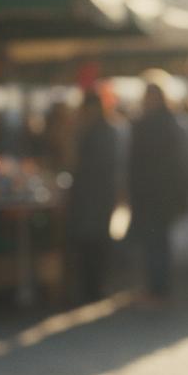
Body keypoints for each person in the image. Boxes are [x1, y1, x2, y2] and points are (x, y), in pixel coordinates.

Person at [128, 73, 188, 303]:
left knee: (155, 243)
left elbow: (142, 163)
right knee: (156, 242)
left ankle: (158, 289)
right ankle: (157, 287)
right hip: (159, 193)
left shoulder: (151, 124)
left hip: (153, 193)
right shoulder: (169, 122)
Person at [66, 90, 120, 303]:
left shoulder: (100, 131)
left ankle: (93, 288)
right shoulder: (100, 129)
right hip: (95, 194)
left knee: (93, 242)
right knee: (92, 242)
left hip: (95, 195)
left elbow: (88, 164)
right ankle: (91, 287)